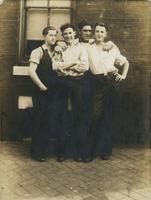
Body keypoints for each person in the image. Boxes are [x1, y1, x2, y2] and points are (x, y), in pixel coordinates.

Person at [87, 23, 129, 160]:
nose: (99, 34)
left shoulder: (112, 48)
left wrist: (123, 76)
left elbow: (125, 62)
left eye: (102, 32)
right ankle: (91, 151)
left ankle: (105, 151)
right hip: (96, 82)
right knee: (94, 115)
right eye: (97, 31)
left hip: (111, 81)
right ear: (94, 33)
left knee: (108, 116)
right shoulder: (89, 46)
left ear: (105, 34)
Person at [53, 23, 92, 162]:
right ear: (62, 36)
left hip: (77, 83)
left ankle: (80, 152)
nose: (68, 36)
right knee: (63, 115)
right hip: (63, 84)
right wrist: (73, 64)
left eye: (70, 33)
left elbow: (84, 66)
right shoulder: (60, 48)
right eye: (65, 34)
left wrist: (66, 67)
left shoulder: (81, 47)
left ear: (75, 33)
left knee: (79, 116)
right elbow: (56, 66)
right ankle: (63, 152)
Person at [29, 26, 63, 162]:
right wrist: (42, 87)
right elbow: (31, 72)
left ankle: (45, 150)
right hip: (41, 91)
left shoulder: (56, 52)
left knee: (51, 120)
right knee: (40, 120)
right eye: (50, 35)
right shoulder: (37, 51)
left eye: (55, 35)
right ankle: (37, 152)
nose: (53, 37)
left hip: (54, 91)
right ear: (44, 36)